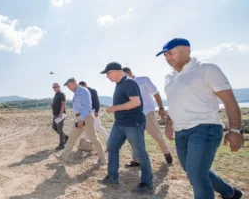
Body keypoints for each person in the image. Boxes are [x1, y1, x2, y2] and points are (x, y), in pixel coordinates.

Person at [157, 38, 245, 199]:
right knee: (193, 171)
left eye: (170, 53)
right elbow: (173, 102)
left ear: (186, 49)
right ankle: (230, 193)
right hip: (181, 132)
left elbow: (229, 100)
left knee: (197, 175)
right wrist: (169, 124)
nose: (167, 58)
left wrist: (234, 130)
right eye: (165, 55)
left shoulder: (207, 69)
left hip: (205, 128)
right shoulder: (169, 78)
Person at [99, 62, 154, 194]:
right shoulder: (119, 84)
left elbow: (136, 102)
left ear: (116, 71)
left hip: (133, 123)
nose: (107, 77)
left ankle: (147, 183)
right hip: (120, 123)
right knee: (111, 146)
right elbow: (126, 102)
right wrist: (116, 108)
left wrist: (113, 108)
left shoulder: (129, 82)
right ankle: (112, 177)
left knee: (140, 153)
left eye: (108, 73)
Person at [121, 67, 173, 167]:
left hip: (147, 113)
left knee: (156, 135)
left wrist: (161, 108)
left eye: (125, 75)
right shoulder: (124, 86)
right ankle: (136, 160)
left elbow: (156, 93)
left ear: (130, 73)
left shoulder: (143, 80)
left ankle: (166, 152)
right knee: (134, 138)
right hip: (134, 115)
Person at [54, 78, 106, 166]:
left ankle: (102, 159)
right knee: (71, 138)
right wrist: (78, 119)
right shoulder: (76, 93)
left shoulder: (84, 91)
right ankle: (64, 157)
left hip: (86, 118)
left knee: (93, 139)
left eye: (69, 85)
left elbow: (88, 106)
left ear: (74, 83)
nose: (69, 88)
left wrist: (81, 118)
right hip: (78, 118)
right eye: (67, 87)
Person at [50, 83, 69, 150]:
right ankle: (65, 137)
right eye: (53, 87)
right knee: (54, 127)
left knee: (59, 128)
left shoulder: (61, 94)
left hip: (60, 115)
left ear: (59, 87)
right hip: (55, 114)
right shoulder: (56, 95)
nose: (54, 88)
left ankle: (62, 144)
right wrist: (53, 105)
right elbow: (58, 103)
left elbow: (63, 104)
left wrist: (61, 113)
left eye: (55, 87)